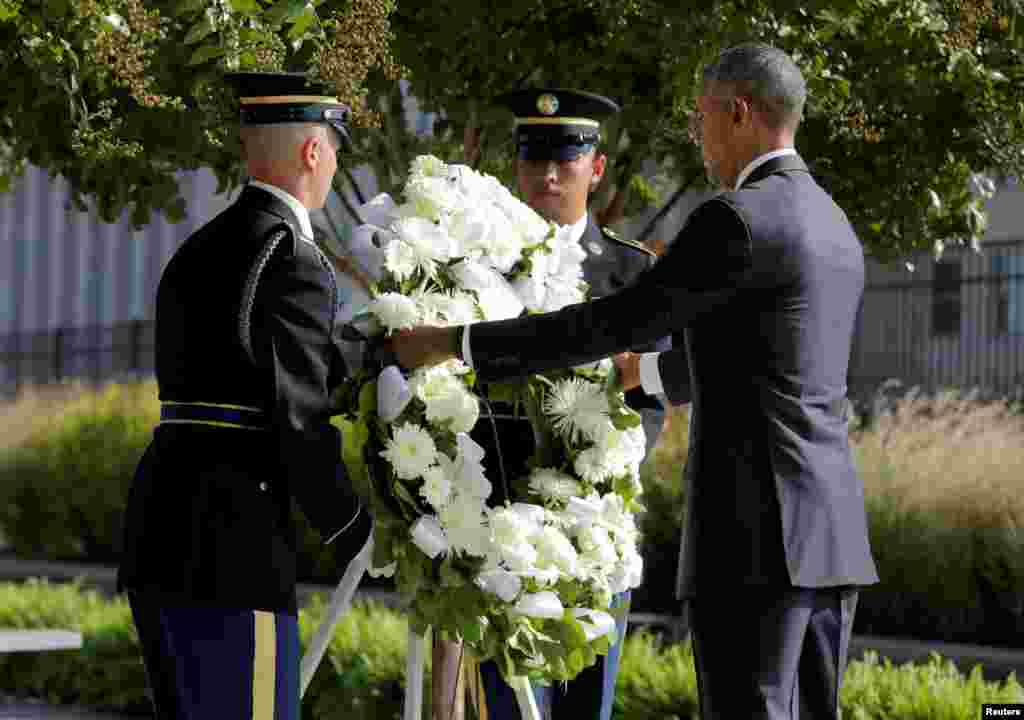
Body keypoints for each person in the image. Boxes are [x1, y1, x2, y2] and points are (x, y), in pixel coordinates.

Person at [390, 43, 879, 720]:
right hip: (830, 540)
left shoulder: (734, 218)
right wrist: (645, 376)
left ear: (736, 112)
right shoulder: (834, 224)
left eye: (701, 119)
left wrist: (456, 342)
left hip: (754, 539)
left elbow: (613, 321)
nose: (699, 140)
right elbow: (763, 359)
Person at [116, 71, 374, 720]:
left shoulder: (202, 247)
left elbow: (248, 368)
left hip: (161, 532)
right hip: (233, 546)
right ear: (314, 152)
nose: (336, 164)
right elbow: (298, 415)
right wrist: (353, 530)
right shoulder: (291, 256)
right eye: (335, 149)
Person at [471, 88, 670, 720]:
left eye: (567, 158)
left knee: (587, 707)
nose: (549, 175)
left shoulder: (632, 275)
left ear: (597, 167)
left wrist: (594, 471)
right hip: (494, 522)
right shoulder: (478, 267)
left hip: (592, 524)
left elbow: (651, 400)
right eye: (534, 159)